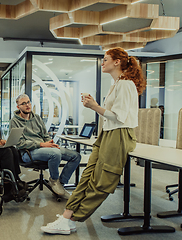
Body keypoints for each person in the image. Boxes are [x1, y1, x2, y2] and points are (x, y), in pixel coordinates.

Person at [41, 47, 146, 235]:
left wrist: (95, 106)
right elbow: (113, 115)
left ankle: (71, 219)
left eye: (105, 59)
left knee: (102, 182)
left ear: (117, 62)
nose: (102, 62)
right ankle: (67, 215)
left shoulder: (125, 84)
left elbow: (120, 117)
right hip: (108, 134)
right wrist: (96, 105)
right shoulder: (116, 84)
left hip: (119, 135)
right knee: (87, 176)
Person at [10, 94, 81, 199]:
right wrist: (42, 144)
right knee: (55, 153)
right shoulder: (14, 121)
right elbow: (19, 144)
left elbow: (45, 135)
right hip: (27, 152)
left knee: (76, 156)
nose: (27, 105)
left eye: (28, 102)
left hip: (44, 148)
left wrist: (50, 143)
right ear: (18, 107)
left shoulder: (37, 118)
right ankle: (54, 181)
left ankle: (60, 184)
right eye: (23, 103)